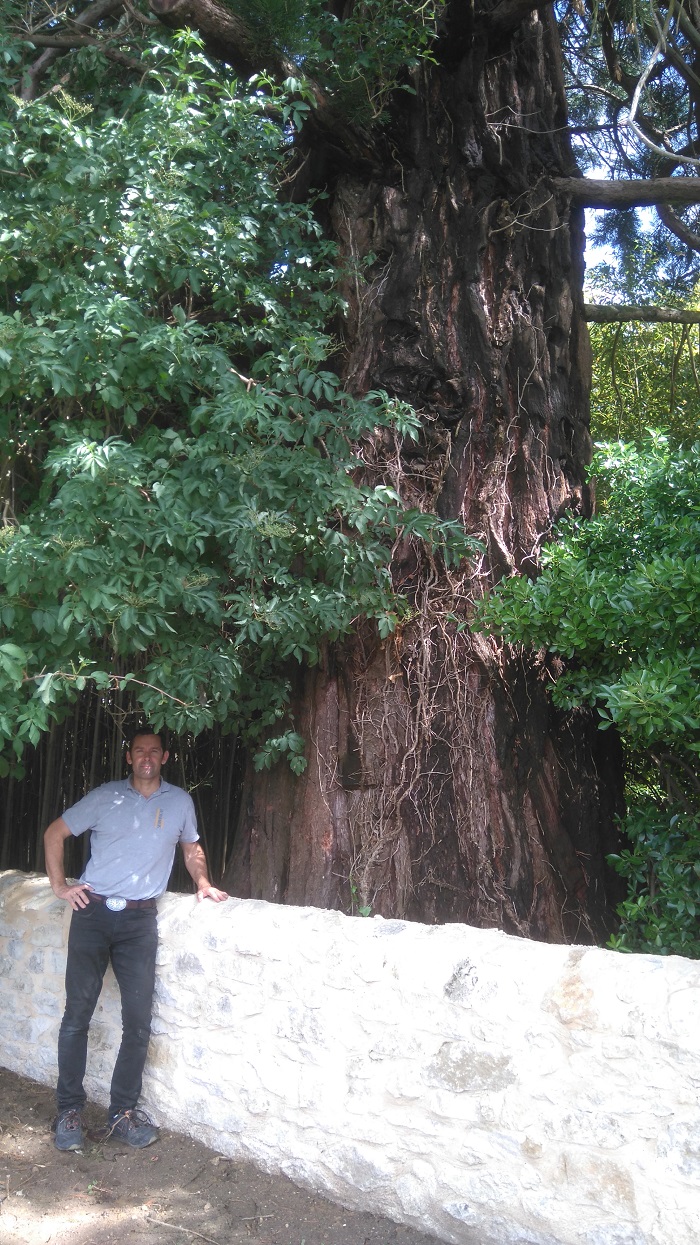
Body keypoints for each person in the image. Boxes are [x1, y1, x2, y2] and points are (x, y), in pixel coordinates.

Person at [44, 726, 228, 1152]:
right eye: (139, 751)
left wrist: (202, 882)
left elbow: (190, 847)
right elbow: (55, 833)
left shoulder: (180, 801)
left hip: (140, 922)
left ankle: (122, 1112)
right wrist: (59, 887)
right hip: (91, 912)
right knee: (77, 1016)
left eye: (155, 751)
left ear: (164, 758)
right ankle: (68, 1111)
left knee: (139, 1021)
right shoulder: (104, 796)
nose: (147, 757)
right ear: (129, 757)